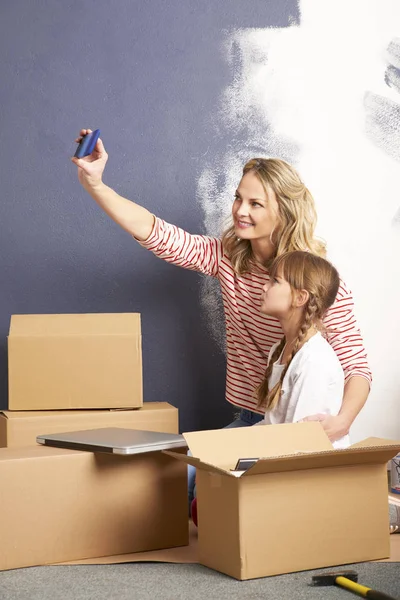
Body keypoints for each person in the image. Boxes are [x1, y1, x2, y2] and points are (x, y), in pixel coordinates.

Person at [71, 130, 371, 510]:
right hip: (251, 420)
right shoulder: (228, 257)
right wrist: (96, 184)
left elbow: (357, 366)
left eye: (256, 204)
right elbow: (157, 233)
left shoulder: (315, 281)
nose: (240, 211)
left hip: (295, 431)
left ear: (285, 211)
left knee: (205, 496)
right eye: (238, 198)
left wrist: (343, 420)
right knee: (172, 483)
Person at [255, 250, 349, 449]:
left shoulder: (314, 361)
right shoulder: (278, 351)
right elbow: (274, 427)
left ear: (300, 298)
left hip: (306, 472)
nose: (264, 287)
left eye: (275, 281)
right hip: (280, 455)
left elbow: (299, 446)